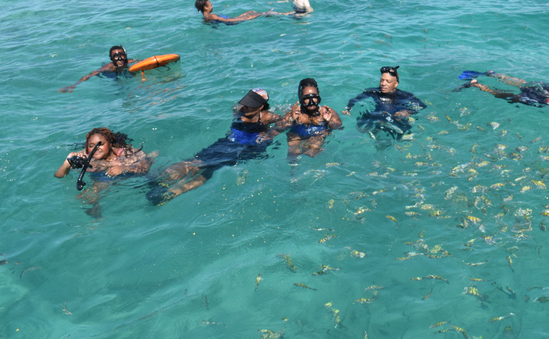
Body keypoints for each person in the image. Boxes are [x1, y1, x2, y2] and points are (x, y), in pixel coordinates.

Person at [146, 88, 281, 204]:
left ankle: (173, 193)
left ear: (261, 107)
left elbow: (282, 125)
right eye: (244, 103)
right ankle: (160, 181)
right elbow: (234, 110)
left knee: (208, 170)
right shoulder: (239, 110)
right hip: (226, 143)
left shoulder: (268, 117)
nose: (244, 107)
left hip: (245, 146)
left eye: (249, 105)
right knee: (195, 161)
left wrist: (265, 135)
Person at [55, 127, 153, 217]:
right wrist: (66, 164)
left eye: (100, 144)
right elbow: (58, 176)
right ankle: (96, 216)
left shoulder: (125, 153)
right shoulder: (85, 155)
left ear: (110, 144)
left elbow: (147, 162)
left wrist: (124, 168)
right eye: (91, 145)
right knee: (89, 196)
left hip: (127, 174)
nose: (95, 148)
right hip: (101, 176)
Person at [343, 66, 426, 143]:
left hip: (395, 118)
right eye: (382, 80)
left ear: (396, 84)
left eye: (388, 81)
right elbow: (356, 99)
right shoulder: (374, 92)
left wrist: (407, 111)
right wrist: (348, 109)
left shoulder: (404, 95)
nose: (383, 84)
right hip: (377, 118)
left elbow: (422, 106)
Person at [276, 78, 342, 162]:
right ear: (301, 98)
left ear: (318, 96)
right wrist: (292, 120)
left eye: (314, 97)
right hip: (296, 135)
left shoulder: (327, 112)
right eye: (307, 98)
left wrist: (329, 121)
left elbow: (339, 127)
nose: (311, 102)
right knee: (292, 156)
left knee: (312, 153)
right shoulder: (295, 113)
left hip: (317, 137)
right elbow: (277, 129)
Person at [59, 45, 138, 93]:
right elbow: (90, 75)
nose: (120, 59)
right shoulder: (108, 67)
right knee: (121, 84)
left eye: (122, 55)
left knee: (133, 73)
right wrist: (74, 85)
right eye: (116, 57)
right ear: (111, 59)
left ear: (125, 55)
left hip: (123, 70)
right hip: (110, 74)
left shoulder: (128, 62)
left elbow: (144, 62)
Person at [194, 0, 277, 24]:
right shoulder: (211, 16)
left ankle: (265, 13)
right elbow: (225, 20)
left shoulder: (206, 16)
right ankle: (267, 14)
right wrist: (243, 19)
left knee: (249, 12)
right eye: (211, 5)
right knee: (250, 15)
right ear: (205, 8)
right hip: (231, 21)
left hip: (229, 19)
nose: (212, 6)